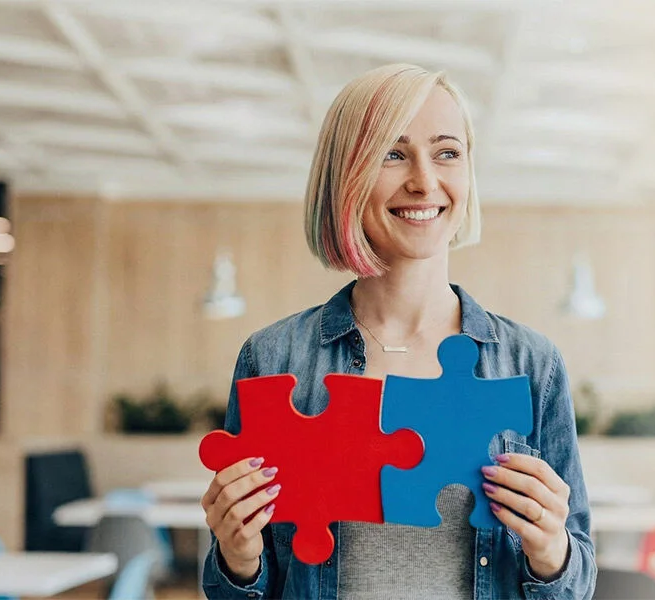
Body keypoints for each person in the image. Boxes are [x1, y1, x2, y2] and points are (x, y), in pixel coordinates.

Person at [198, 63, 595, 599]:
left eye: (447, 152)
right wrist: (237, 557)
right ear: (348, 174)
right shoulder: (274, 358)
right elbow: (237, 589)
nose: (425, 180)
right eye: (393, 152)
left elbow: (577, 580)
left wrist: (552, 553)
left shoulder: (530, 364)